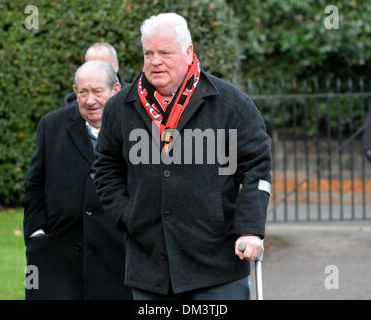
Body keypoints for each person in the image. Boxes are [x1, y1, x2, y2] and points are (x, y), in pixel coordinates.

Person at [93, 13, 271, 300]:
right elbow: (105, 167)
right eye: (148, 53)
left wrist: (250, 229)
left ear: (189, 53)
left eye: (165, 52)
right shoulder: (120, 108)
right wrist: (127, 215)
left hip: (216, 268)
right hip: (150, 268)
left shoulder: (229, 103)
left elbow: (256, 168)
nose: (155, 61)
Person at [21, 61, 132, 300]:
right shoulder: (51, 125)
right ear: (75, 92)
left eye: (97, 91)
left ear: (116, 89)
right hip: (59, 261)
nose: (90, 100)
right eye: (83, 92)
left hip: (118, 260)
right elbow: (34, 185)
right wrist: (36, 233)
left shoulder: (139, 128)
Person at [63, 42, 126, 108]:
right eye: (91, 66)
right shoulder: (71, 101)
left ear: (116, 65)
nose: (95, 71)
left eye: (102, 66)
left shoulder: (130, 96)